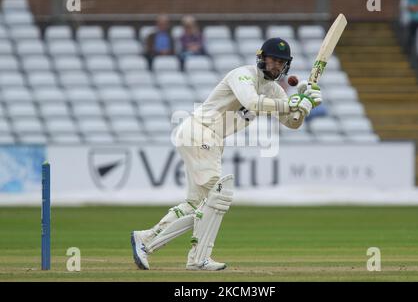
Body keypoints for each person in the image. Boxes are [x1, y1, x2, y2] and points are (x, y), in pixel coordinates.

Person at [131, 38, 323, 271]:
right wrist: (291, 102)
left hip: (211, 139)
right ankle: (196, 258)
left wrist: (304, 107)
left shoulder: (274, 90)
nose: (276, 66)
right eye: (273, 60)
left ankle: (147, 238)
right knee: (218, 196)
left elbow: (292, 122)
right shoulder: (242, 75)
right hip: (199, 131)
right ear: (261, 58)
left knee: (197, 204)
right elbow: (253, 102)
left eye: (281, 63)